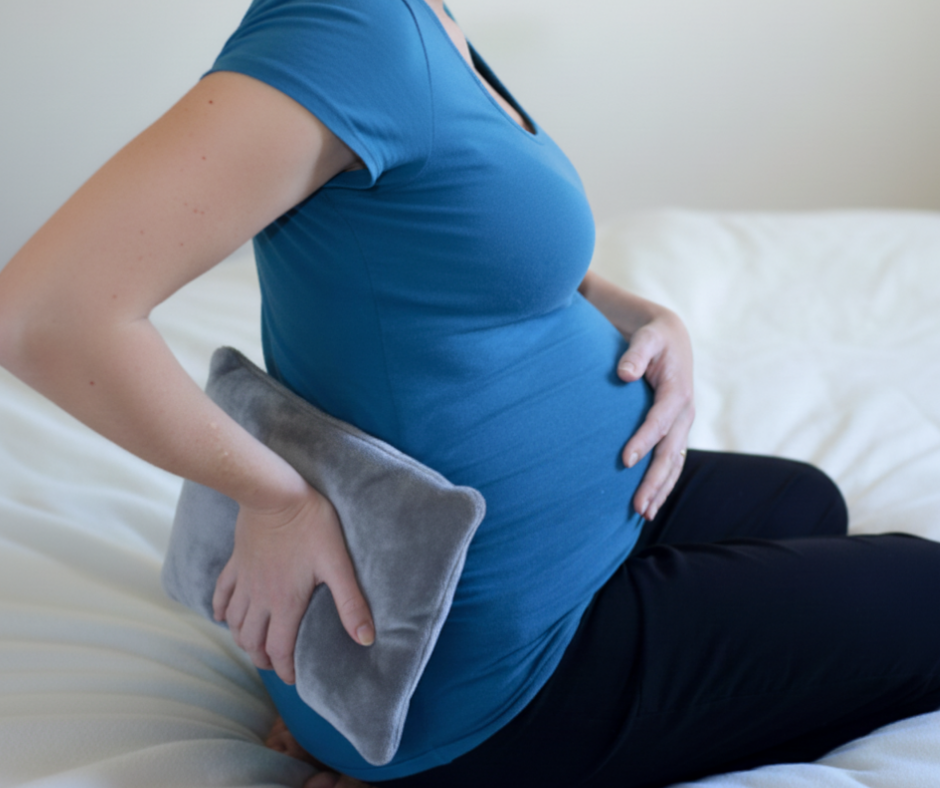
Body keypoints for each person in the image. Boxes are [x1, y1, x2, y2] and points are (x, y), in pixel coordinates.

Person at [2, 2, 940, 787]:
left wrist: (640, 312)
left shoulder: (418, 19)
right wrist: (273, 497)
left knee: (807, 501)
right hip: (483, 667)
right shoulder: (347, 35)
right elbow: (45, 314)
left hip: (560, 539)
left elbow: (469, 246)